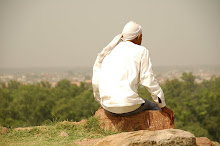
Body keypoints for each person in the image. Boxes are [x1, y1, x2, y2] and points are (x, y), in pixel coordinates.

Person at [92, 21, 174, 124]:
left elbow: (96, 80)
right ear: (139, 36)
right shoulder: (141, 51)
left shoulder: (110, 51)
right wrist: (163, 106)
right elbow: (148, 81)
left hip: (108, 107)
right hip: (129, 106)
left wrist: (101, 101)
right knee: (154, 107)